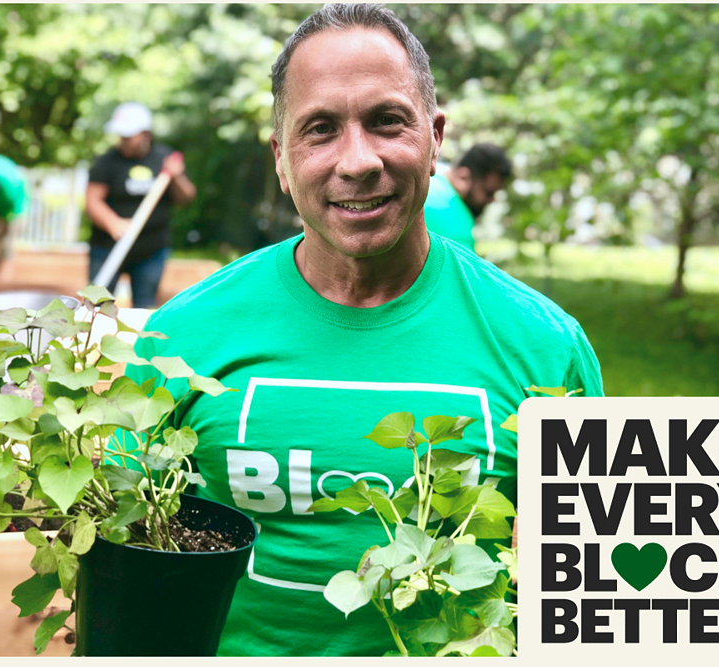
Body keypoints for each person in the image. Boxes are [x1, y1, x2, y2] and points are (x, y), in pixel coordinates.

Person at [121, 4, 601, 656]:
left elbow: (592, 598)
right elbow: (120, 565)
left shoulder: (545, 346)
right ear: (282, 160)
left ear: (434, 138)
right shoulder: (184, 337)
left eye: (387, 122)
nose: (358, 161)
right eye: (319, 130)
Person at [85, 102, 197, 307]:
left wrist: (177, 176)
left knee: (144, 306)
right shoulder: (107, 162)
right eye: (121, 136)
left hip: (151, 250)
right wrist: (113, 223)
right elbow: (92, 200)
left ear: (146, 134)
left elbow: (187, 197)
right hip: (108, 248)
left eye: (129, 136)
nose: (123, 141)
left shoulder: (163, 158)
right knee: (96, 305)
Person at [423, 143, 512, 252]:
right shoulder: (456, 223)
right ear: (463, 177)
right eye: (488, 193)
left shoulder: (428, 176)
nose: (492, 201)